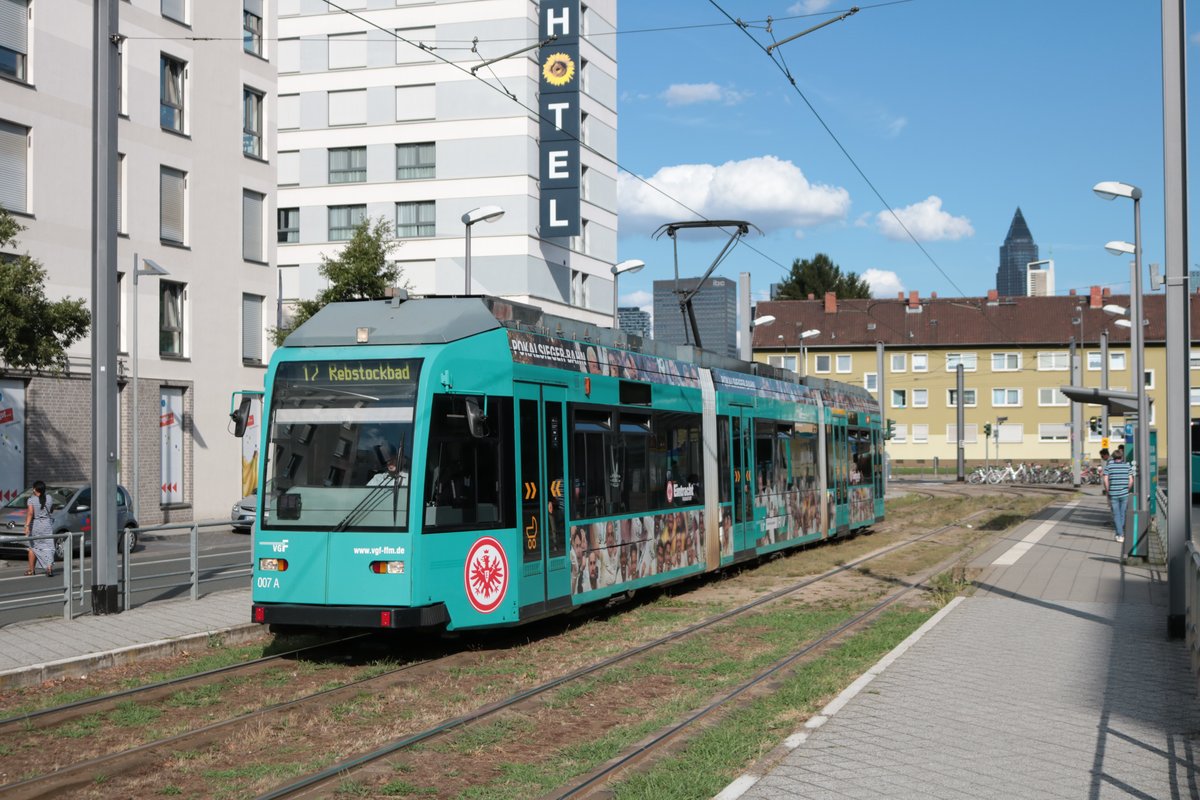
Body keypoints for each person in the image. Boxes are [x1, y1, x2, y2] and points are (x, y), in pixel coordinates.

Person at [24, 481, 55, 577]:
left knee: (33, 547)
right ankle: (49, 568)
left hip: (36, 525)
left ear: (34, 489)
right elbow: (51, 510)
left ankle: (31, 570)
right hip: (47, 524)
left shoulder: (31, 500)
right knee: (48, 546)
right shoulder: (49, 498)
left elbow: (30, 513)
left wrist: (27, 526)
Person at [1102, 448, 1133, 545]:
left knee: (1116, 515)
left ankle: (1120, 534)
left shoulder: (1109, 467)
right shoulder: (1127, 466)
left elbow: (1105, 480)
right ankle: (1119, 533)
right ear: (1122, 457)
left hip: (1113, 493)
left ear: (1113, 457)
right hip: (1124, 493)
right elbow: (1131, 480)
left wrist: (1108, 490)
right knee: (1122, 513)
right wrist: (1127, 489)